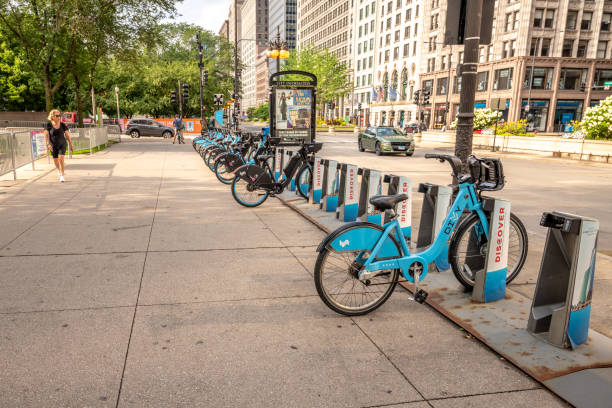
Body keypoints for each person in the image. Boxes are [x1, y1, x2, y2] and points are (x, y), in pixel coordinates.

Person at [44, 109, 73, 183]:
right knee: (56, 161)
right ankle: (60, 170)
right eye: (57, 116)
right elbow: (46, 136)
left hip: (62, 144)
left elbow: (67, 135)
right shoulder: (48, 125)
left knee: (61, 159)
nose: (59, 117)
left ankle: (62, 175)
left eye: (59, 115)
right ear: (52, 116)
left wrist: (71, 144)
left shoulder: (63, 125)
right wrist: (48, 144)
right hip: (53, 145)